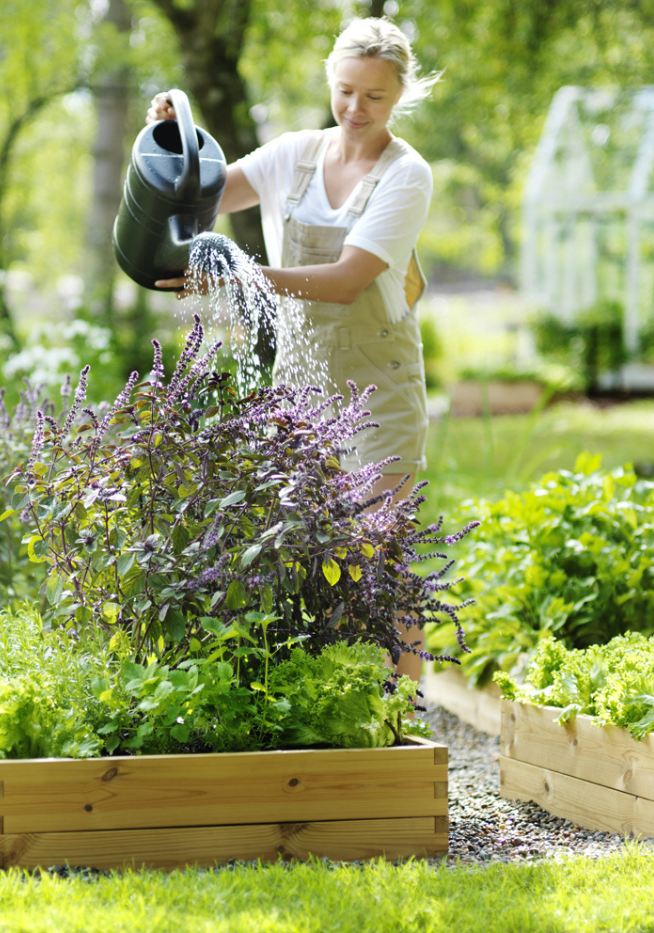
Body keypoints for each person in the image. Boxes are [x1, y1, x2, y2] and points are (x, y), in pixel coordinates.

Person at [149, 17, 439, 683]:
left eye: (374, 96)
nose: (355, 109)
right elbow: (201, 199)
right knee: (312, 551)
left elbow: (344, 282)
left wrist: (239, 276)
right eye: (345, 91)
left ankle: (401, 712)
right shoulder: (294, 156)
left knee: (380, 550)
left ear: (399, 96)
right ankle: (335, 699)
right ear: (329, 84)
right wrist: (173, 138)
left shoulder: (407, 175)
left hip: (379, 387)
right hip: (301, 384)